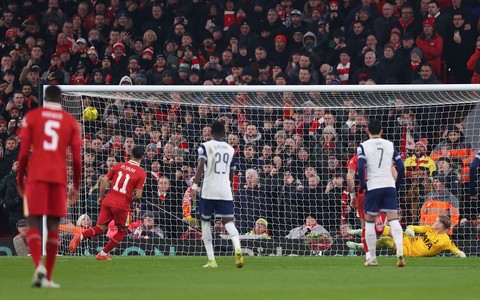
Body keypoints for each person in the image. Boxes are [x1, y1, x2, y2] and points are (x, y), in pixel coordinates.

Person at [16, 85, 82, 288]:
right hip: (58, 179)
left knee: (34, 222)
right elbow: (77, 160)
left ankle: (38, 267)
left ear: (44, 98)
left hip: (36, 177)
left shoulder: (32, 117)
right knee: (53, 225)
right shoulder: (70, 121)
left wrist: (21, 180)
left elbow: (23, 153)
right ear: (61, 99)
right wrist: (76, 186)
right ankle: (49, 277)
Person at [68, 146, 147, 260]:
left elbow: (104, 180)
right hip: (122, 204)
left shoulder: (118, 165)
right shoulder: (141, 173)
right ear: (143, 157)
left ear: (130, 155)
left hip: (108, 200)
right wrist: (129, 198)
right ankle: (103, 253)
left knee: (100, 228)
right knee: (122, 231)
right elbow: (139, 195)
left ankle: (80, 235)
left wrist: (101, 197)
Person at [191, 120, 244, 269]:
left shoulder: (205, 146)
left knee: (206, 223)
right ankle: (238, 248)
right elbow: (232, 172)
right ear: (224, 132)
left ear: (211, 132)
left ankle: (211, 260)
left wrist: (194, 186)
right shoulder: (230, 149)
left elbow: (201, 165)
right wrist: (230, 188)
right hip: (225, 190)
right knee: (228, 222)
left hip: (208, 190)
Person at [357, 119, 405, 267]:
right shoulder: (390, 145)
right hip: (389, 185)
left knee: (369, 221)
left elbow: (360, 166)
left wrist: (363, 184)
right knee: (393, 219)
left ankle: (372, 258)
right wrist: (396, 184)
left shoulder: (363, 146)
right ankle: (400, 251)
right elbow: (401, 167)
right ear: (382, 131)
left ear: (367, 131)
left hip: (373, 186)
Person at [347, 215, 466, 258]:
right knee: (386, 229)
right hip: (408, 240)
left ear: (441, 225)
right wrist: (410, 230)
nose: (434, 223)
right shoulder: (430, 228)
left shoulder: (445, 241)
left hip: (409, 252)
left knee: (386, 240)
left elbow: (455, 249)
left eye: (436, 222)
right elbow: (414, 227)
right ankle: (361, 231)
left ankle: (360, 246)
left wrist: (460, 253)